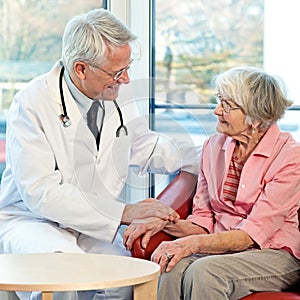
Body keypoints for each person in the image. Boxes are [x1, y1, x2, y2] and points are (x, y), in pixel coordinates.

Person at [0, 8, 199, 300]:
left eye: (128, 67)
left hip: (91, 226)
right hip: (32, 221)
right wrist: (125, 212)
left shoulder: (114, 93)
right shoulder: (31, 103)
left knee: (126, 280)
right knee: (63, 279)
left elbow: (143, 145)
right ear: (81, 68)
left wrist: (211, 154)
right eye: (118, 71)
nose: (127, 79)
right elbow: (41, 193)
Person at [124, 66, 300, 299]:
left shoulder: (290, 157)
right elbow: (203, 221)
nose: (217, 110)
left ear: (256, 117)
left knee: (206, 272)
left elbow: (252, 234)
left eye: (227, 105)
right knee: (170, 266)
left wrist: (192, 244)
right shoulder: (213, 147)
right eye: (219, 101)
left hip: (273, 252)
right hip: (223, 249)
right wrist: (161, 221)